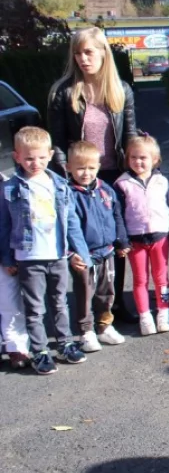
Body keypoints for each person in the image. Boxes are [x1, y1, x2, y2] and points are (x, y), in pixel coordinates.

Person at [47, 26, 138, 325]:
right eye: (77, 52)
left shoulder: (121, 89)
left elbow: (130, 135)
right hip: (77, 179)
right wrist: (67, 179)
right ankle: (86, 311)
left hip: (112, 176)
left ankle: (115, 304)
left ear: (103, 53)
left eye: (88, 52)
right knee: (83, 245)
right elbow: (57, 142)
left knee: (114, 242)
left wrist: (137, 170)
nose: (83, 58)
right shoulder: (64, 92)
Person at [0, 127, 92, 375]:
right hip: (29, 258)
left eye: (41, 157)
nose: (35, 163)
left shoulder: (59, 185)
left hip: (58, 255)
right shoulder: (11, 188)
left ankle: (64, 344)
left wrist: (79, 251)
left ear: (50, 155)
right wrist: (7, 258)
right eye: (29, 158)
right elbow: (5, 226)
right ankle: (40, 350)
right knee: (35, 308)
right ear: (17, 157)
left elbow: (71, 221)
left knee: (60, 303)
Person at [66, 141, 129, 351]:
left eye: (91, 168)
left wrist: (121, 241)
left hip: (107, 251)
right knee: (85, 292)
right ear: (68, 167)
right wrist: (71, 253)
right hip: (84, 255)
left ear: (99, 167)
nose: (86, 173)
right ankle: (86, 331)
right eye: (80, 168)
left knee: (107, 290)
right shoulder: (68, 194)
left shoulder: (106, 190)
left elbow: (117, 215)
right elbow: (65, 227)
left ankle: (105, 325)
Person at [114, 136, 169, 336]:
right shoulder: (122, 184)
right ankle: (144, 315)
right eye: (133, 157)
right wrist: (122, 240)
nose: (138, 162)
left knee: (162, 279)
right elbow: (118, 215)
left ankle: (163, 312)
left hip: (160, 236)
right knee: (140, 280)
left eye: (143, 157)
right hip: (135, 239)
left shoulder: (162, 181)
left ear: (155, 159)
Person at [0, 167, 29, 369]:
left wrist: (8, 257)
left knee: (11, 303)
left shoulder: (9, 185)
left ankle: (16, 347)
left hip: (5, 255)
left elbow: (11, 224)